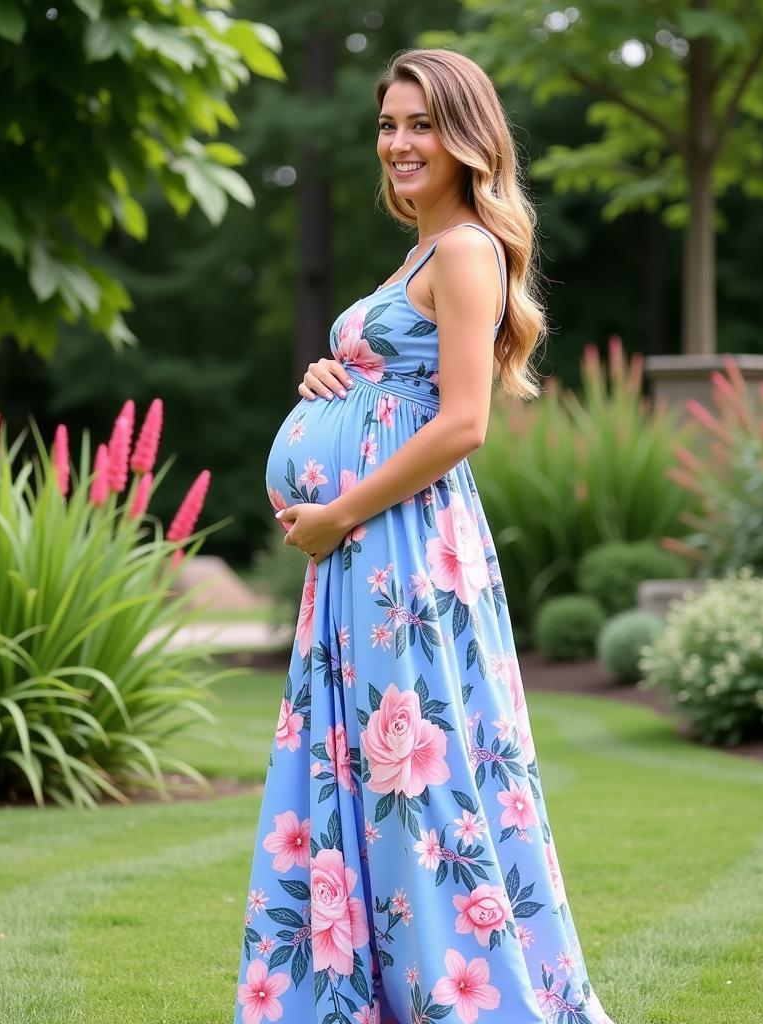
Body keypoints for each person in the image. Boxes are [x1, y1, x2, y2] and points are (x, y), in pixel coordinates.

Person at [235, 47, 616, 1024]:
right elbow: (398, 388)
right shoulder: (420, 250)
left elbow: (462, 422)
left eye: (422, 125)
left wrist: (339, 509)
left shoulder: (465, 249)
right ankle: (366, 993)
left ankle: (464, 1000)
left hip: (399, 549)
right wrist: (335, 381)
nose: (400, 143)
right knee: (369, 768)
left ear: (467, 138)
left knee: (417, 771)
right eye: (388, 125)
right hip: (368, 553)